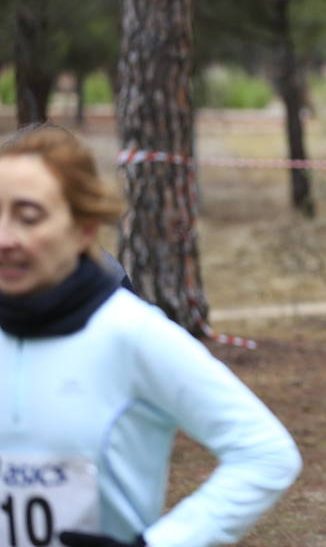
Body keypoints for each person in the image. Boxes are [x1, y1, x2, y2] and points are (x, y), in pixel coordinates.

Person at [0, 123, 301, 547]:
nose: (4, 238)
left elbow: (266, 454)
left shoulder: (131, 331)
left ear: (84, 228)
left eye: (28, 217)